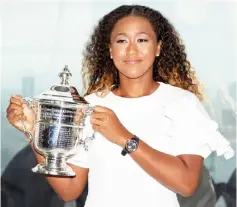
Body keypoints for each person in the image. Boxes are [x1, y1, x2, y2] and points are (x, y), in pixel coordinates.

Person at [6, 4, 234, 207]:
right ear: (110, 50)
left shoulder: (183, 104)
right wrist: (33, 130)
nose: (132, 50)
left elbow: (186, 184)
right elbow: (70, 190)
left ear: (158, 48)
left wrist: (123, 136)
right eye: (122, 41)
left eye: (142, 40)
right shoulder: (92, 105)